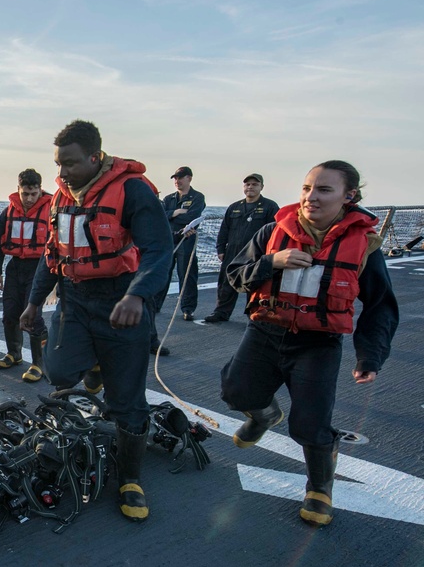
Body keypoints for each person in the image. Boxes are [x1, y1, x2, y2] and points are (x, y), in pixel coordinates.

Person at [220, 160, 398, 527]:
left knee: (311, 423)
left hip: (318, 343)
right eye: (306, 188)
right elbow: (236, 276)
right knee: (236, 392)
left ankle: (319, 487)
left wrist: (370, 355)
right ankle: (265, 414)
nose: (310, 198)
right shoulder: (272, 232)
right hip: (265, 332)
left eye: (323, 190)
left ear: (348, 196)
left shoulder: (364, 246)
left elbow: (380, 306)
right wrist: (271, 262)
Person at [20, 120, 172, 522]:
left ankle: (131, 479)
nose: (63, 172)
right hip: (75, 298)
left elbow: (159, 251)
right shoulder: (61, 199)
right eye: (58, 164)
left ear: (95, 156)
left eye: (70, 163)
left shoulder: (133, 190)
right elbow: (53, 254)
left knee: (127, 402)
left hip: (121, 298)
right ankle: (96, 365)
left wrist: (137, 295)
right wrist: (34, 303)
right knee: (60, 369)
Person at [0, 168, 52, 382]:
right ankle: (14, 353)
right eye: (24, 193)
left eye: (33, 194)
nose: (28, 198)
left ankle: (39, 363)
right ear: (18, 190)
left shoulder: (52, 209)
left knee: (33, 315)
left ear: (40, 190)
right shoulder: (8, 212)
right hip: (15, 266)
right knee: (9, 313)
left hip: (40, 268)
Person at [203, 174, 279, 323]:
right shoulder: (234, 207)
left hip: (256, 253)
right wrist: (220, 249)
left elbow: (275, 232)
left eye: (254, 184)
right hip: (233, 251)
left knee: (254, 283)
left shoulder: (270, 207)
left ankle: (253, 313)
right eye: (247, 184)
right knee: (226, 283)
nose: (250, 187)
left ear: (261, 187)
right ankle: (221, 312)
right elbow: (224, 229)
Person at [151, 166, 205, 339]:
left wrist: (172, 216)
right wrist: (174, 212)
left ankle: (188, 309)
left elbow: (192, 217)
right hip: (169, 239)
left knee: (187, 274)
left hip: (186, 240)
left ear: (189, 178)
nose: (177, 181)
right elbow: (160, 216)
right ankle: (156, 305)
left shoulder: (197, 197)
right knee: (163, 273)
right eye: (175, 178)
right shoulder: (168, 199)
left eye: (180, 178)